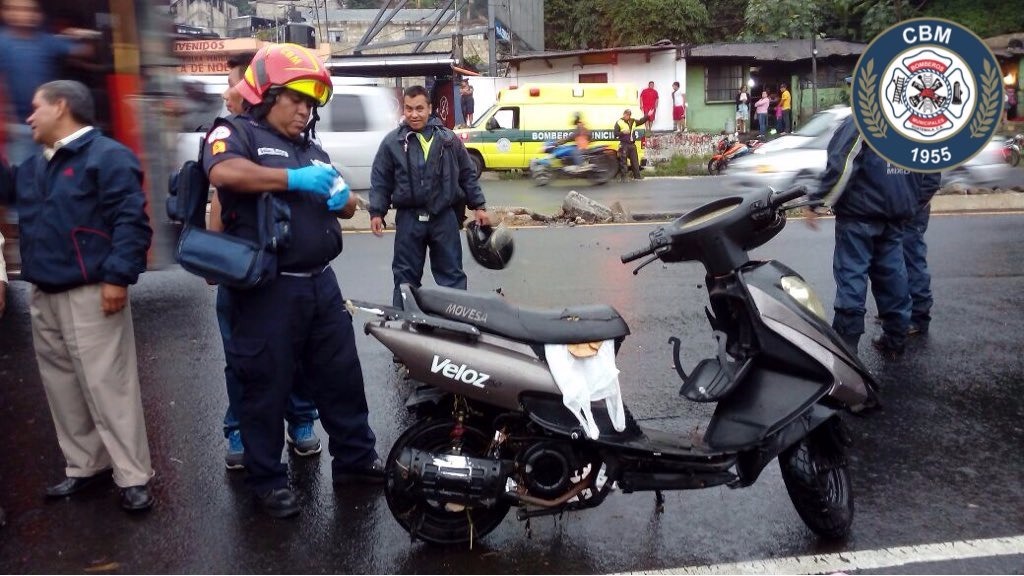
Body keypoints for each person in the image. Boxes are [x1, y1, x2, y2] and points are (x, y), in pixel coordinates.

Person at [204, 43, 382, 518]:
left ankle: (356, 461)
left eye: (310, 103)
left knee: (342, 378)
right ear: (267, 96)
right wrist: (294, 180)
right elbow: (223, 171)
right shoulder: (235, 133)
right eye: (295, 99)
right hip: (268, 288)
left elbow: (345, 205)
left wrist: (345, 199)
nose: (304, 110)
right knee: (264, 387)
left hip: (321, 283)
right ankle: (267, 481)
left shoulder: (312, 147)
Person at [0, 80, 155, 511]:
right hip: (44, 292)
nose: (29, 117)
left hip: (92, 292)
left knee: (109, 386)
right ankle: (86, 466)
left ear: (61, 106)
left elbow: (131, 222)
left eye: (36, 108)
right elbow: (6, 190)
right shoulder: (36, 166)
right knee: (62, 387)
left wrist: (117, 279)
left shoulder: (107, 157)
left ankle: (133, 476)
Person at [208, 51, 322, 470]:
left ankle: (302, 419)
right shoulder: (231, 134)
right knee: (242, 358)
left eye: (235, 86)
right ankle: (239, 428)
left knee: (296, 353)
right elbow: (221, 192)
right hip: (243, 268)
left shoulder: (292, 139)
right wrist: (215, 256)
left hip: (287, 271)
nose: (230, 95)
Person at [804, 114, 934, 356]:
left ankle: (847, 346)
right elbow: (930, 171)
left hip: (859, 214)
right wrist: (910, 203)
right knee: (893, 275)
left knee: (852, 276)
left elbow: (842, 164)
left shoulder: (862, 120)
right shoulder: (913, 123)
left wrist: (818, 202)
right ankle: (895, 338)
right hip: (895, 215)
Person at [369, 85, 491, 309]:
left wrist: (479, 206)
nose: (414, 114)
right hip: (409, 219)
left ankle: (456, 321)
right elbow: (380, 179)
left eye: (419, 108)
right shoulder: (392, 142)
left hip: (443, 218)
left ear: (429, 108)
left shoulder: (448, 139)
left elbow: (467, 174)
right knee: (405, 278)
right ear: (404, 110)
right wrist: (377, 211)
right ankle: (404, 321)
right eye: (409, 109)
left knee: (452, 276)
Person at [0, 0, 94, 164]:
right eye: (15, 9)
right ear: (5, 13)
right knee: (22, 172)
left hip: (51, 123)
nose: (23, 14)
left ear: (38, 15)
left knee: (56, 169)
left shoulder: (46, 41)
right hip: (17, 128)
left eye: (29, 9)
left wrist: (81, 35)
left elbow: (85, 51)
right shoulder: (2, 42)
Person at [903, 175, 942, 336]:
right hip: (900, 207)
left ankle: (918, 316)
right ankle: (899, 312)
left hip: (912, 210)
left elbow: (931, 180)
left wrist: (911, 206)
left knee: (912, 262)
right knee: (895, 261)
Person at [613, 108, 649, 180]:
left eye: (629, 115)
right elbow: (615, 134)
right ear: (624, 114)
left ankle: (637, 177)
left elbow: (641, 121)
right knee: (623, 163)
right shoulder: (619, 122)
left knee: (635, 162)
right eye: (626, 114)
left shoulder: (633, 121)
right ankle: (624, 178)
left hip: (632, 145)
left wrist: (647, 115)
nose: (627, 116)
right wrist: (622, 132)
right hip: (624, 145)